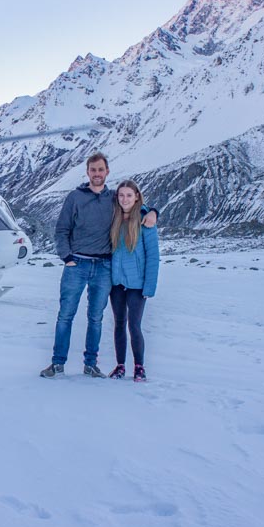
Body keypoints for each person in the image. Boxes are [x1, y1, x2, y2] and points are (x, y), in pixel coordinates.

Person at [40, 153, 156, 379]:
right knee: (66, 315)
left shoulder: (113, 198)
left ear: (107, 172)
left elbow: (134, 204)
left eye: (101, 169)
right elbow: (62, 229)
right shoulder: (75, 197)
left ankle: (90, 364)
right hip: (76, 264)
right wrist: (66, 256)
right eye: (93, 170)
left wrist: (153, 212)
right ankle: (57, 363)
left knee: (96, 318)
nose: (97, 174)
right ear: (87, 172)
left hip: (103, 267)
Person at [107, 180, 159, 382]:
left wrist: (149, 287)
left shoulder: (146, 222)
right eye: (121, 195)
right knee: (119, 324)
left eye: (129, 195)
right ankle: (120, 365)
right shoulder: (114, 219)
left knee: (134, 325)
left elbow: (153, 257)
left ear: (137, 197)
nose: (125, 199)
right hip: (117, 283)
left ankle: (139, 367)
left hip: (137, 285)